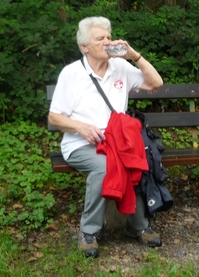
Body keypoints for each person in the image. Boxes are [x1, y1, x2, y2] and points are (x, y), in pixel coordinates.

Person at [48, 16, 164, 257]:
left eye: (109, 37)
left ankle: (136, 226)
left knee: (132, 162)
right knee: (105, 166)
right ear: (84, 46)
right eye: (100, 38)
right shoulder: (71, 74)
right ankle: (88, 232)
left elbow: (156, 83)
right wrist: (81, 127)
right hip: (81, 144)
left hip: (117, 142)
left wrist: (134, 55)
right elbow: (54, 118)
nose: (107, 42)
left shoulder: (120, 67)